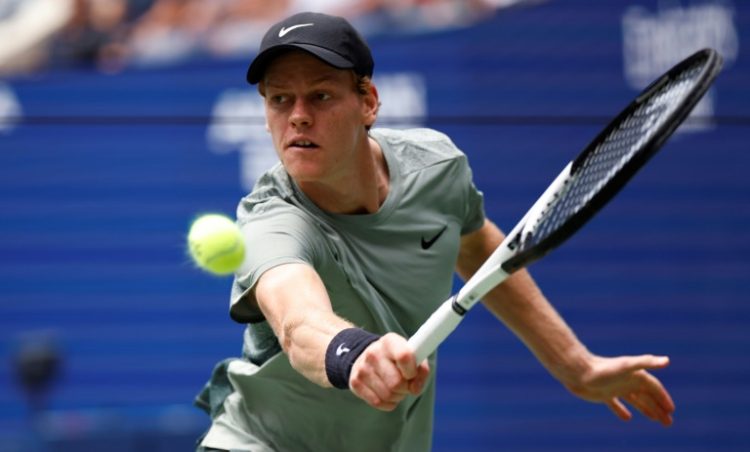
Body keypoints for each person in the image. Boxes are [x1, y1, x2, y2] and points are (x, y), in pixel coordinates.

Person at [195, 11, 675, 452]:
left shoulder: (436, 169)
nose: (297, 115)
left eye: (320, 95)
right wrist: (356, 354)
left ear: (368, 102)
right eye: (280, 99)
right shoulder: (271, 219)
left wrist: (575, 364)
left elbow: (481, 247)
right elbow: (298, 324)